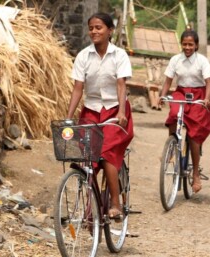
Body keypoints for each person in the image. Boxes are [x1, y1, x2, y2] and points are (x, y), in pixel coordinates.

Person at [67, 12, 134, 218]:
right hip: (91, 112)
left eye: (99, 27)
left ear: (110, 31)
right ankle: (92, 208)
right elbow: (78, 88)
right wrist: (69, 117)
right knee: (88, 160)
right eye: (91, 28)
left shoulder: (119, 55)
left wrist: (122, 111)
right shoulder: (83, 56)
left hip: (116, 112)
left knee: (105, 154)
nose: (94, 31)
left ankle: (115, 203)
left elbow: (121, 85)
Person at [159, 29, 210, 193]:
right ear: (181, 44)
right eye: (185, 44)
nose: (187, 47)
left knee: (194, 133)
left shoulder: (202, 61)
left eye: (191, 44)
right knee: (173, 116)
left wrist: (207, 98)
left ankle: (195, 173)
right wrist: (162, 96)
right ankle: (171, 147)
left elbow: (209, 83)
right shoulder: (175, 60)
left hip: (198, 95)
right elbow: (168, 81)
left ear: (196, 45)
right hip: (181, 93)